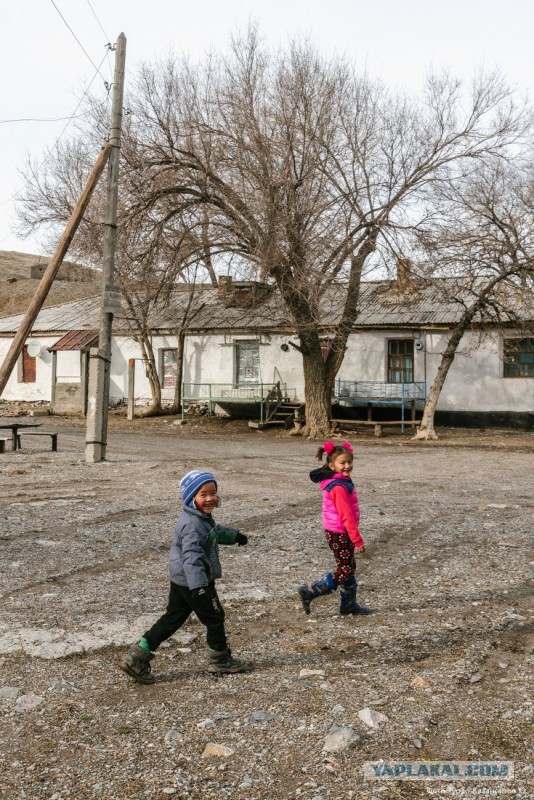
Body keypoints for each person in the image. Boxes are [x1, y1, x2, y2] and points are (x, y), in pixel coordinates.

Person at [120, 470, 250, 684]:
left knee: (172, 618)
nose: (209, 498)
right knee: (214, 617)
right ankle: (220, 659)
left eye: (213, 492)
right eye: (203, 494)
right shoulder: (192, 525)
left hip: (181, 581)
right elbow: (191, 558)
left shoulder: (199, 518)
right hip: (194, 582)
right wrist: (199, 587)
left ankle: (138, 655)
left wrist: (234, 536)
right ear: (191, 498)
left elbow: (214, 532)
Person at [298, 440, 371, 617]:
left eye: (349, 462)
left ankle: (349, 605)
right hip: (340, 532)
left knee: (348, 567)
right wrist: (357, 539)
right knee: (346, 569)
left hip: (338, 532)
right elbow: (346, 516)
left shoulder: (341, 480)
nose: (347, 466)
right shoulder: (338, 486)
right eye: (342, 463)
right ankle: (312, 590)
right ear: (332, 465)